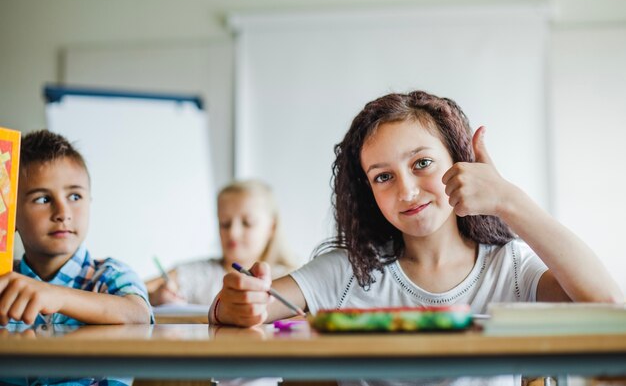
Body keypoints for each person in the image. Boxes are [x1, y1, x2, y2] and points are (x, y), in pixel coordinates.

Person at [210, 90, 622, 384]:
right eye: (383, 177)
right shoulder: (350, 272)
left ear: (461, 164)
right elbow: (239, 310)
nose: (406, 191)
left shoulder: (509, 269)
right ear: (368, 193)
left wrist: (509, 200)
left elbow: (606, 305)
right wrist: (237, 302)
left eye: (422, 163)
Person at [0, 130, 152, 385]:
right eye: (43, 198)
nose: (63, 212)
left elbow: (138, 315)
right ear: (10, 214)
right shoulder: (4, 283)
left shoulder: (110, 274)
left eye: (75, 196)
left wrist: (56, 295)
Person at [147, 179, 297, 306]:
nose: (233, 232)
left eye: (247, 223)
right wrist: (154, 297)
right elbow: (134, 291)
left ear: (272, 227)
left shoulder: (289, 279)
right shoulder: (197, 274)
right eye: (225, 223)